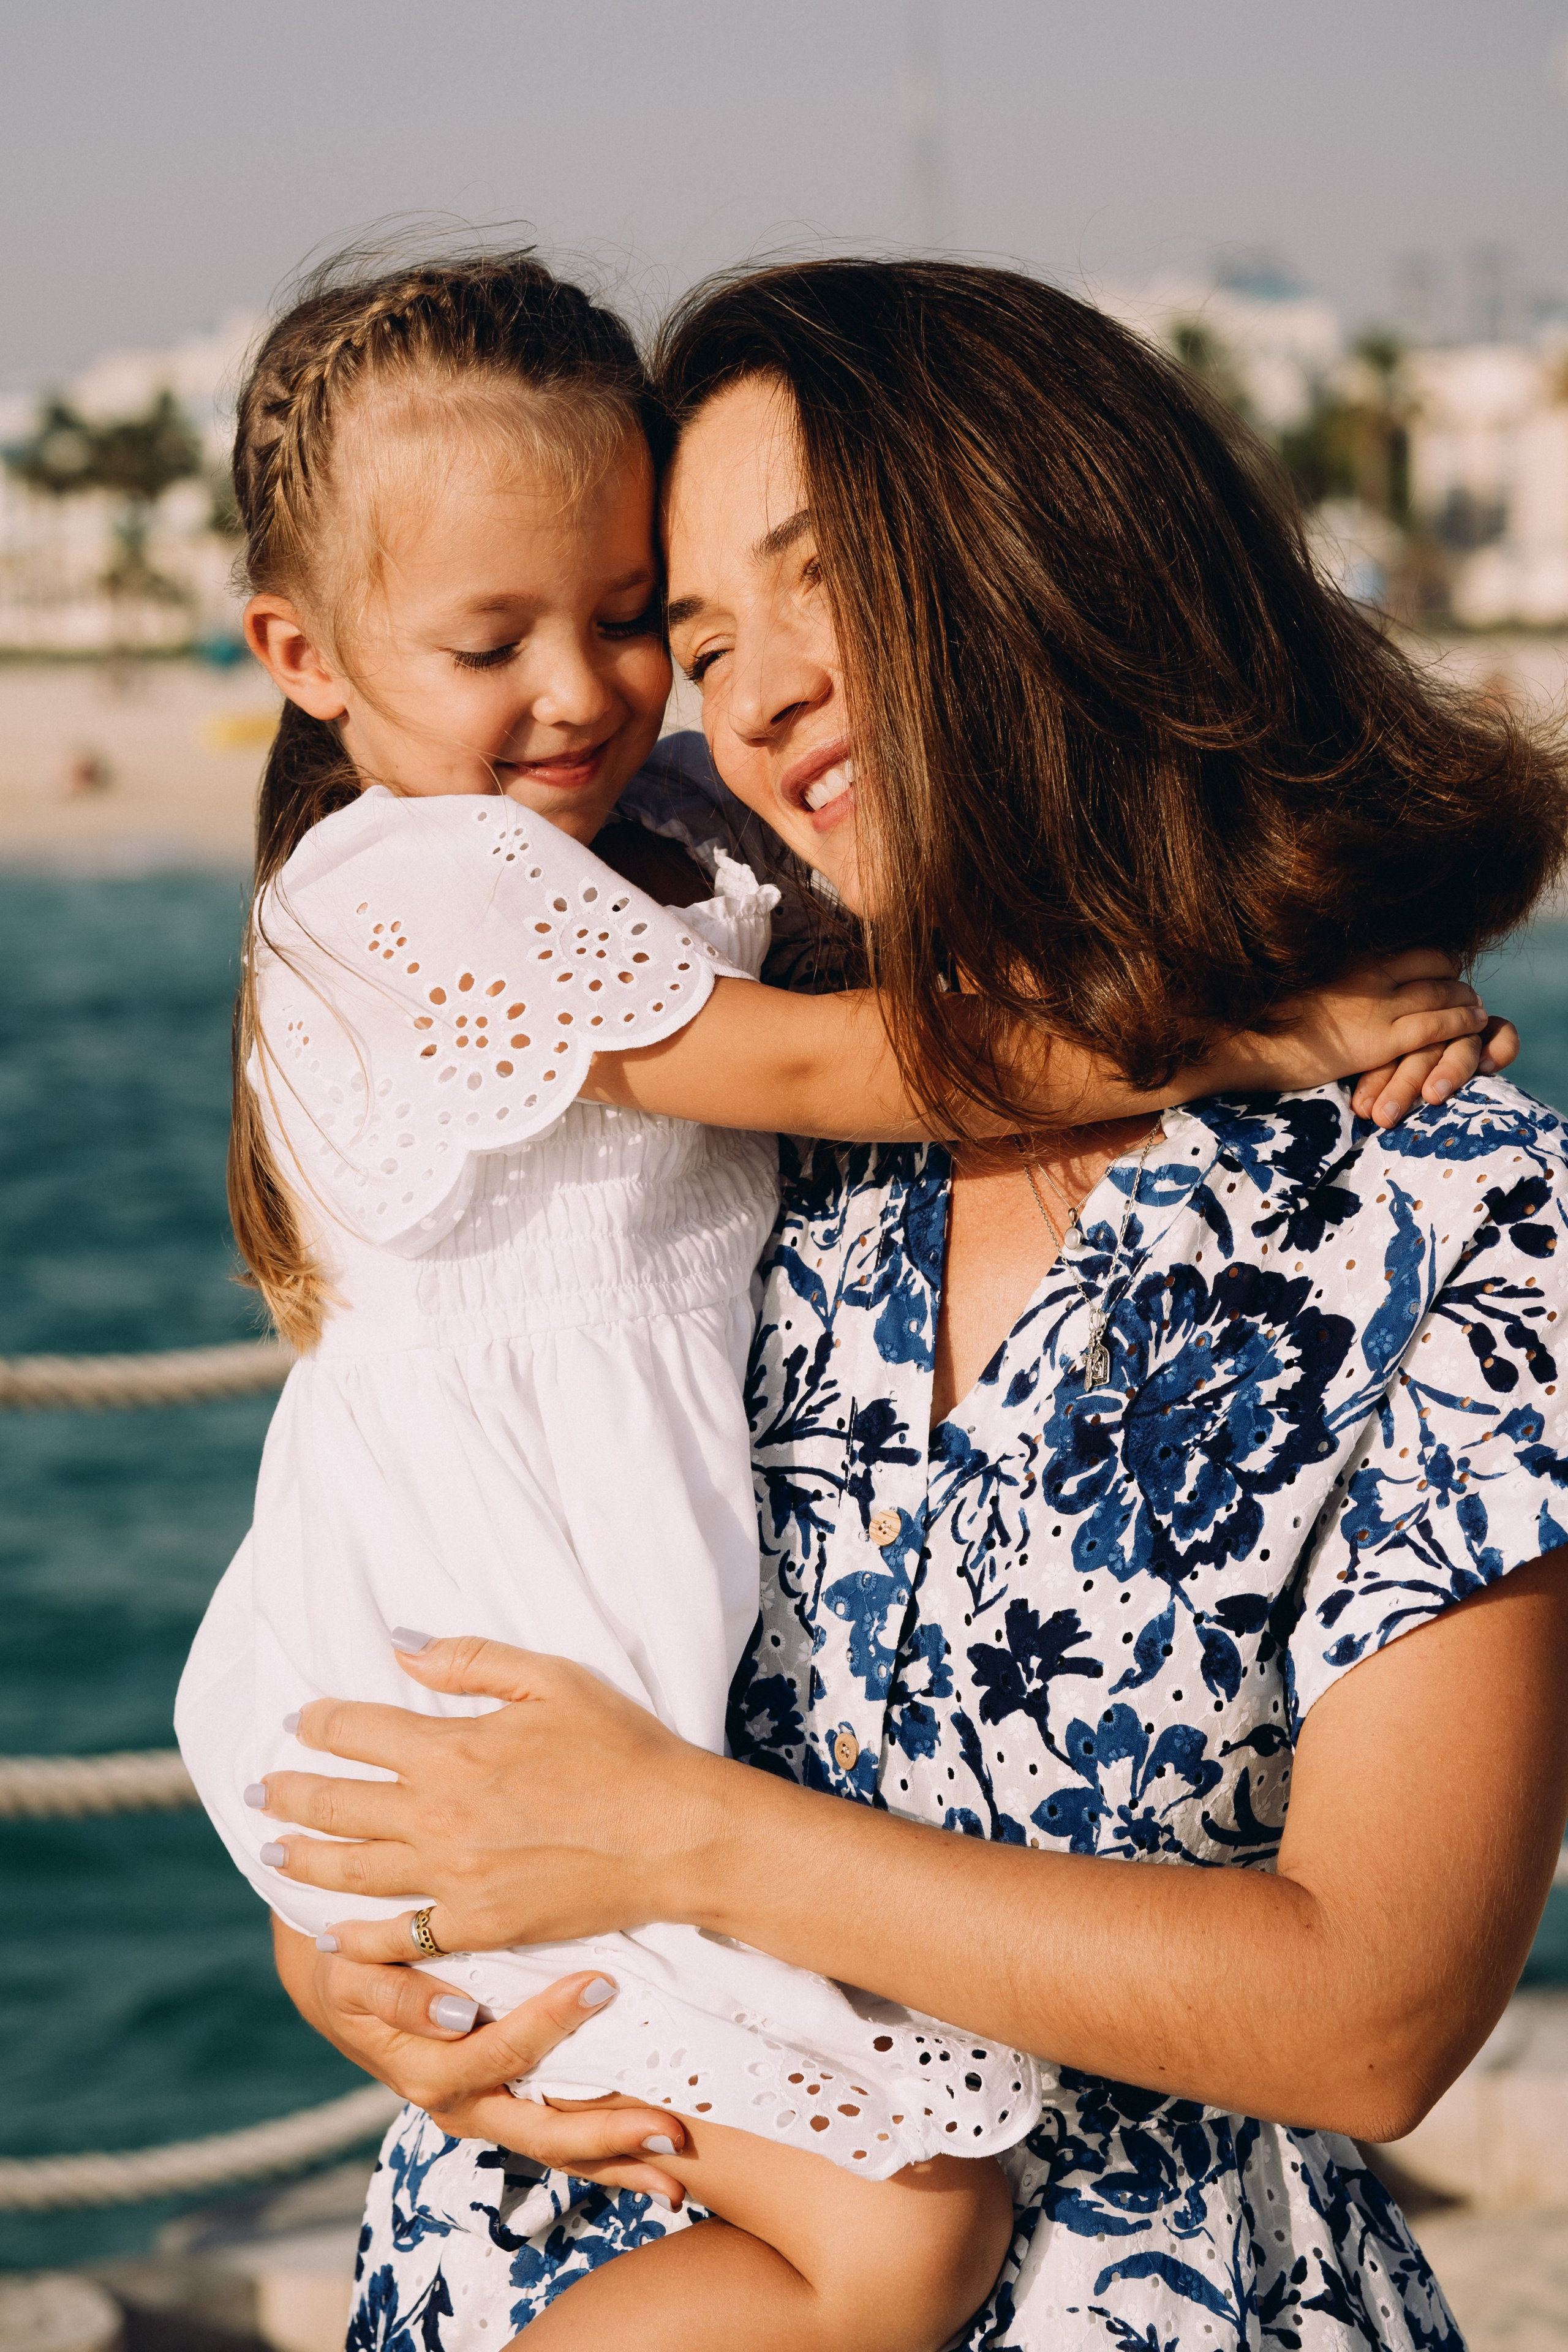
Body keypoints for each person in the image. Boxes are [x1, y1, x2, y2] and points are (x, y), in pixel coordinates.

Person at [245, 262, 1568, 2352]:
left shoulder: (1441, 1208)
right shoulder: (753, 1118)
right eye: (699, 640)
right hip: (551, 2244)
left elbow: (1373, 2018)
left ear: (1058, 555)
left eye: (820, 583)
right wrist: (369, 1951)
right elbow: (447, 1550)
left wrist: (685, 1840)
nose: (742, 695)